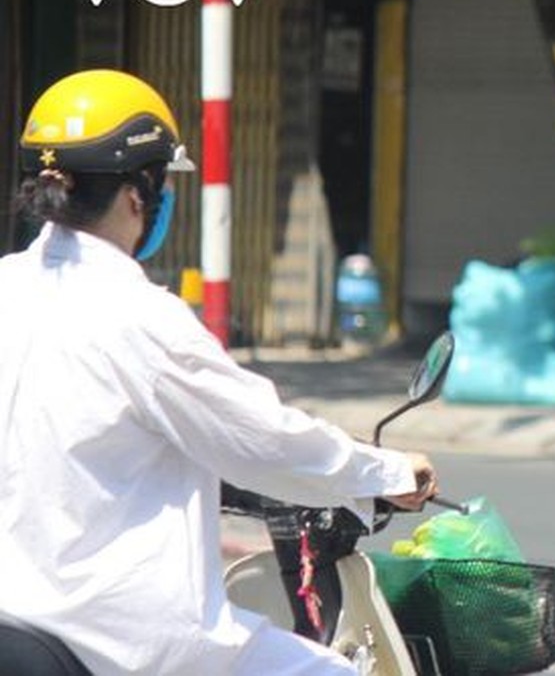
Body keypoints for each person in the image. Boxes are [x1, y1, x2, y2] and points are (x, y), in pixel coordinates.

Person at [0, 69, 440, 676]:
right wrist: (386, 472)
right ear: (139, 195)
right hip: (124, 643)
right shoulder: (139, 317)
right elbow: (261, 437)